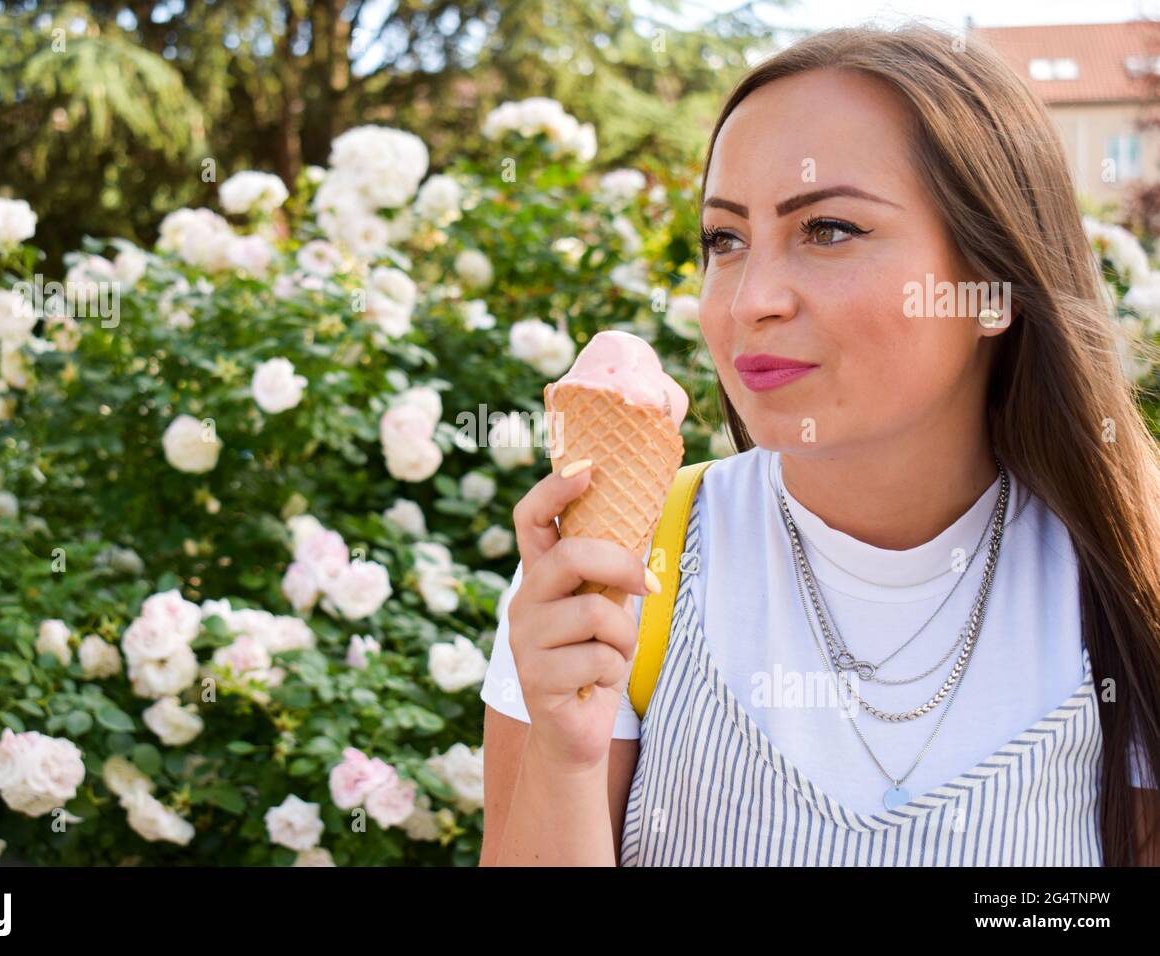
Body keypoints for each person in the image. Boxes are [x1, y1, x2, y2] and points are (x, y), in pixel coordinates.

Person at [479, 22, 1160, 867]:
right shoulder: (613, 572)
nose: (750, 298)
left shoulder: (1130, 580)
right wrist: (567, 753)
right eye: (724, 239)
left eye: (828, 229)